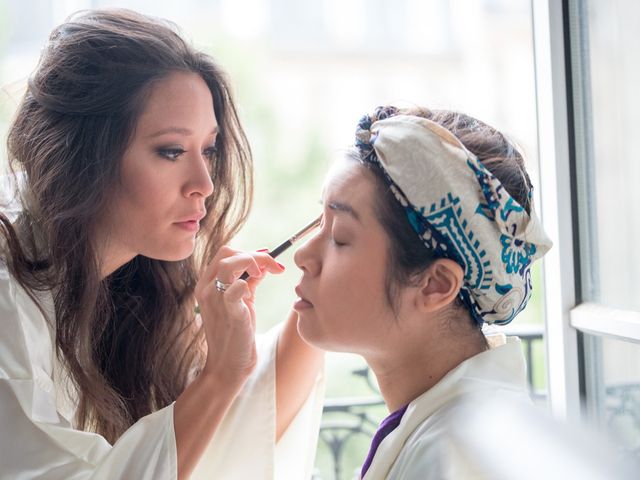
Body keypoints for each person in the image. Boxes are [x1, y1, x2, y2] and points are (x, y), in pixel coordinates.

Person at [0, 9, 324, 480]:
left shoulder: (130, 290)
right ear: (84, 156)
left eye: (208, 150)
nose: (204, 184)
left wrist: (316, 284)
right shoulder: (9, 297)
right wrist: (220, 376)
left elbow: (224, 438)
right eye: (171, 152)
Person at [293, 105, 552, 479]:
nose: (303, 255)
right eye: (319, 224)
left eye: (339, 238)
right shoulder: (440, 427)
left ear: (436, 285)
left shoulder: (457, 459)